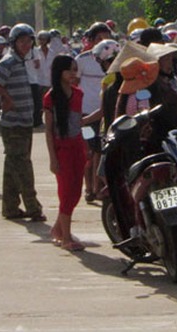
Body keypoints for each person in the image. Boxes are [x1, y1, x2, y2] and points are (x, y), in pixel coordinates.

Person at [0, 23, 46, 222]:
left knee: (12, 166)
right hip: (14, 124)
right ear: (14, 43)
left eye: (29, 41)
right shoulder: (10, 61)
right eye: (22, 41)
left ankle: (10, 207)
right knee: (23, 167)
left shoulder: (21, 61)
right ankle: (33, 207)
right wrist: (6, 97)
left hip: (24, 122)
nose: (26, 45)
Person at [44, 55, 90, 252]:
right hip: (61, 149)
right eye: (69, 70)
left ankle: (58, 229)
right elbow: (48, 130)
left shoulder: (78, 94)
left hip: (78, 146)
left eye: (74, 69)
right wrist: (53, 159)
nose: (73, 74)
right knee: (66, 192)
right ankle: (66, 237)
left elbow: (78, 123)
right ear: (59, 72)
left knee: (76, 191)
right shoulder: (51, 97)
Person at [75, 21, 112, 202]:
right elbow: (73, 84)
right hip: (85, 115)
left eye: (106, 38)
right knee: (87, 152)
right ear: (90, 40)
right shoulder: (82, 60)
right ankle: (88, 188)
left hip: (104, 115)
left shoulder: (114, 61)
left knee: (100, 151)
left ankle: (98, 188)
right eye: (99, 38)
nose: (103, 42)